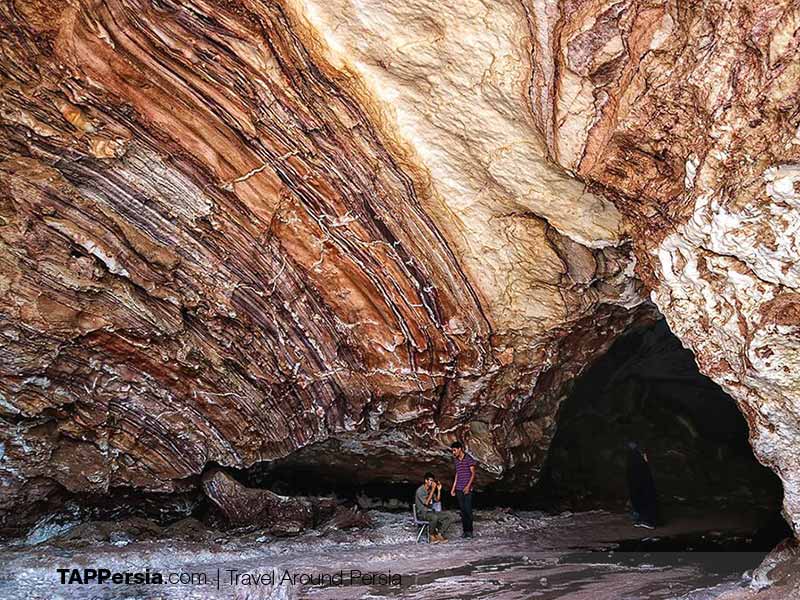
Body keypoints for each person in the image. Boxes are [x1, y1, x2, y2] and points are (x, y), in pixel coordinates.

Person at [626, 441, 658, 529]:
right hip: (640, 482)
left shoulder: (637, 457)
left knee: (644, 500)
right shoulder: (636, 457)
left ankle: (648, 521)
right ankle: (643, 519)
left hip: (641, 483)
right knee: (641, 500)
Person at [415, 472, 454, 543]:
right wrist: (433, 489)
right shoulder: (420, 490)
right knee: (434, 517)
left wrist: (438, 490)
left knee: (449, 515)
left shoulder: (430, 490)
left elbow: (437, 500)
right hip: (422, 513)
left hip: (431, 512)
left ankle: (440, 534)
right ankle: (431, 535)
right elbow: (426, 503)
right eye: (430, 480)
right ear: (426, 481)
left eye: (433, 481)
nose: (432, 482)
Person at [450, 441, 476, 538]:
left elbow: (473, 474)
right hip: (459, 488)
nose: (453, 452)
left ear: (460, 449)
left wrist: (468, 486)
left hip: (467, 488)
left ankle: (470, 531)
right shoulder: (456, 460)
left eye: (454, 450)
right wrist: (453, 488)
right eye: (452, 451)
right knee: (463, 511)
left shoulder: (468, 459)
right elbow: (457, 474)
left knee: (468, 510)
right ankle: (465, 531)